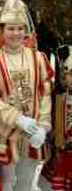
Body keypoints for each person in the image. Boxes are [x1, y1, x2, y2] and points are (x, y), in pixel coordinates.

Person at [0, 0, 53, 191]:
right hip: (5, 132)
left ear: (26, 31)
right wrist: (17, 119)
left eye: (20, 29)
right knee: (5, 183)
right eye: (11, 29)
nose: (15, 33)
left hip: (34, 134)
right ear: (1, 31)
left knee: (26, 181)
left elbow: (45, 93)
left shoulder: (38, 58)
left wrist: (43, 125)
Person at [45, 54, 72, 191]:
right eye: (71, 75)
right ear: (64, 77)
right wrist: (56, 143)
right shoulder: (61, 98)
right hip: (64, 149)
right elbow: (57, 123)